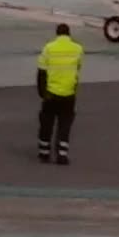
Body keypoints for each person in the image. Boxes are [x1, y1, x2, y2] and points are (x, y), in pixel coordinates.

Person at [37, 24, 84, 165]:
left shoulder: (48, 48)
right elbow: (78, 68)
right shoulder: (78, 49)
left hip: (51, 93)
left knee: (46, 123)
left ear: (57, 34)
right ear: (69, 34)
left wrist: (42, 92)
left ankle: (44, 152)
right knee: (65, 124)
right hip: (68, 93)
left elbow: (41, 72)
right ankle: (62, 154)